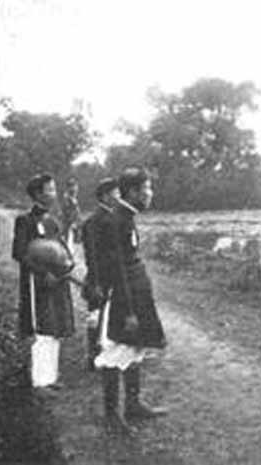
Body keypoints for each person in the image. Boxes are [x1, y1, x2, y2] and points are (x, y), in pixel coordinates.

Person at [88, 167, 167, 432]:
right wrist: (129, 310)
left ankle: (133, 404)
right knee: (115, 349)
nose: (150, 194)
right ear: (132, 192)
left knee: (135, 347)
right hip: (124, 297)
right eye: (146, 189)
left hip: (136, 292)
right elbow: (116, 268)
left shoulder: (127, 217)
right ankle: (111, 415)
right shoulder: (115, 221)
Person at [12, 174, 75, 392]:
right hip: (37, 283)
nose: (54, 194)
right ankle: (39, 381)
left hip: (57, 281)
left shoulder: (52, 221)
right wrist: (42, 273)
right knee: (41, 327)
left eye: (54, 189)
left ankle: (51, 377)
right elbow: (19, 253)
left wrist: (68, 264)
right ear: (37, 194)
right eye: (49, 190)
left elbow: (62, 248)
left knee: (55, 325)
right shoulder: (25, 221)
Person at [80, 177, 120, 371]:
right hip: (101, 276)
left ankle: (100, 353)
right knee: (96, 316)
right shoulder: (95, 222)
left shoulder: (112, 218)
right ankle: (93, 355)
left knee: (104, 316)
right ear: (104, 196)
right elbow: (92, 256)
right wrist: (95, 282)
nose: (118, 197)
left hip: (110, 275)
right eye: (115, 193)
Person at [61, 176, 82, 251]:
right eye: (73, 186)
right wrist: (73, 223)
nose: (76, 189)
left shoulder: (73, 199)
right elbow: (68, 214)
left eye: (76, 186)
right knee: (69, 247)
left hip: (74, 226)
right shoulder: (67, 200)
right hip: (69, 227)